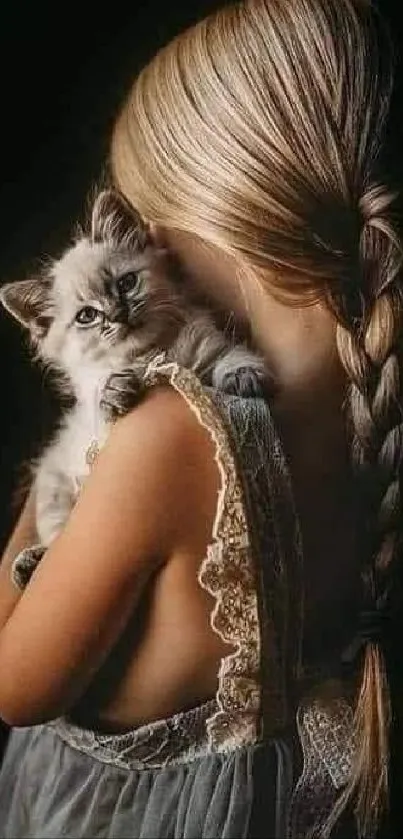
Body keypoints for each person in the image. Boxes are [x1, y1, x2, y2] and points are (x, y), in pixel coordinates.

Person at [0, 0, 401, 836]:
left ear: (169, 233)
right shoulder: (374, 396)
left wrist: (61, 468)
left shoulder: (167, 433)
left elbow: (15, 683)